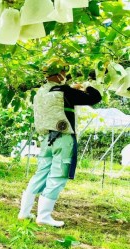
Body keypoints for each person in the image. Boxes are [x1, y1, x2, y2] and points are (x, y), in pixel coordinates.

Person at [18, 58, 102, 227]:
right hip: (63, 138)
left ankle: (24, 212)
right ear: (57, 75)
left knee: (40, 174)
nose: (65, 74)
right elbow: (94, 98)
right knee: (58, 175)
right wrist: (86, 85)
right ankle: (44, 216)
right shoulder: (64, 91)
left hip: (47, 139)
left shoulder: (40, 93)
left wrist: (71, 89)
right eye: (63, 72)